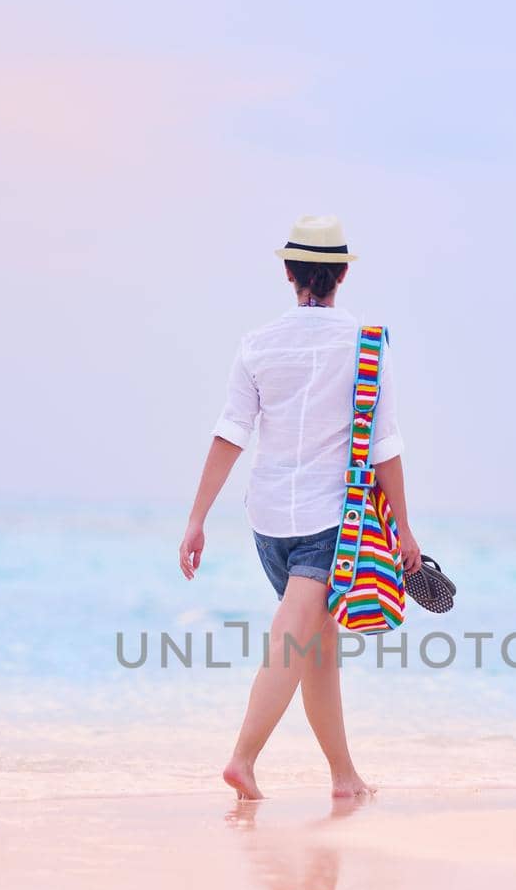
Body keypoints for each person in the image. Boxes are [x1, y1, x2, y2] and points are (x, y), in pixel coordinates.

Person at [179, 213, 421, 801]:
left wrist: (197, 517)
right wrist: (406, 531)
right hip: (328, 522)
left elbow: (231, 432)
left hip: (266, 521)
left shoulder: (257, 344)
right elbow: (384, 446)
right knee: (296, 641)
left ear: (289, 273)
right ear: (340, 274)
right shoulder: (366, 343)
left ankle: (344, 778)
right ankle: (242, 760)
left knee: (318, 644)